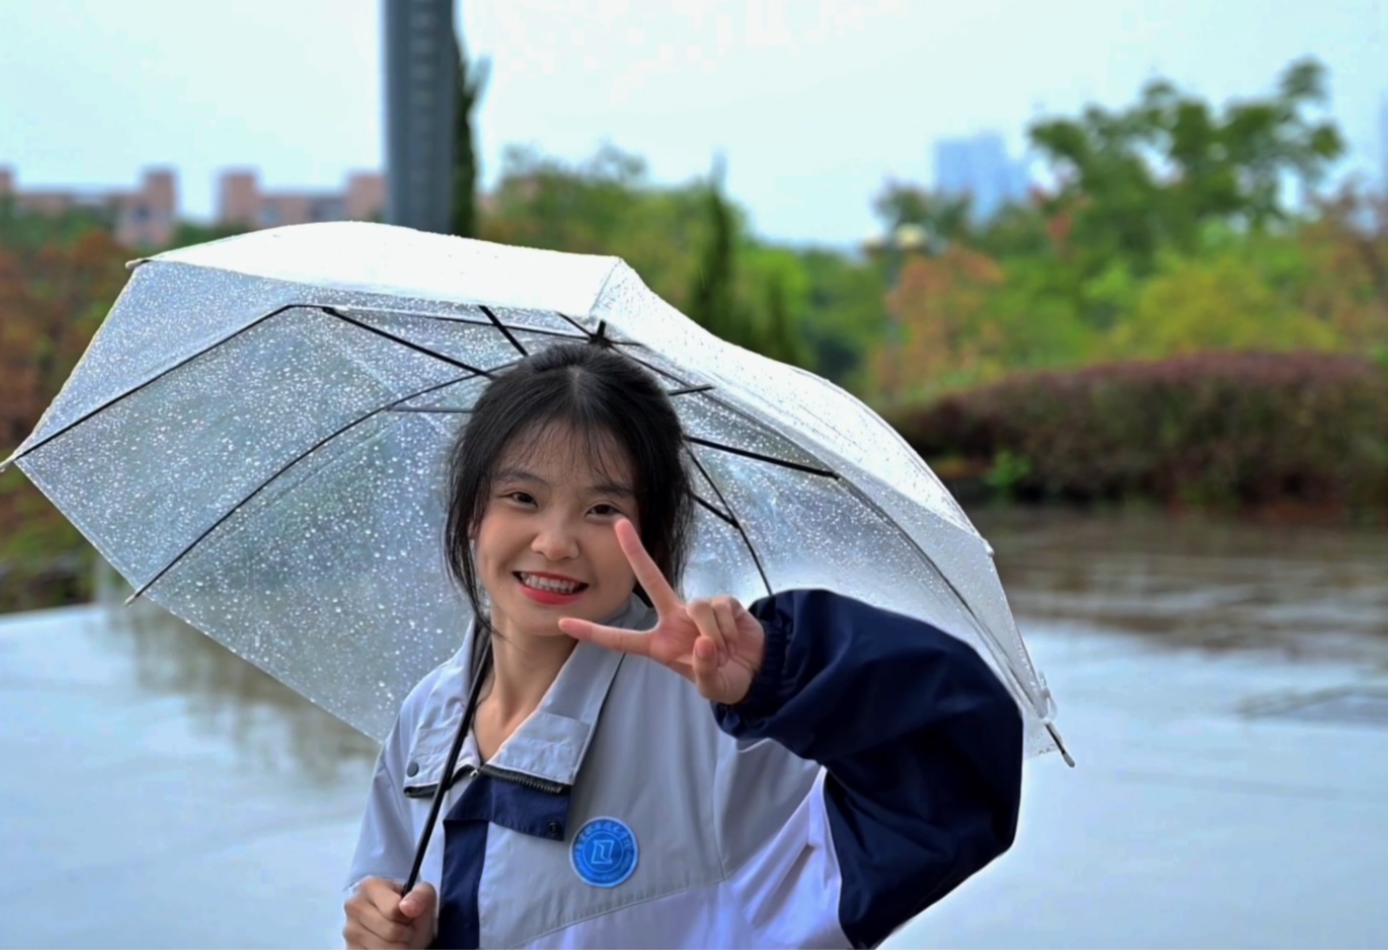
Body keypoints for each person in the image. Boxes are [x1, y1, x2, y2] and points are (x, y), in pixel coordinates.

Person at [342, 342, 1024, 950]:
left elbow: (949, 787)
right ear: (469, 514)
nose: (553, 542)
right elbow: (382, 888)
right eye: (521, 496)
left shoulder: (721, 723)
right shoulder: (428, 715)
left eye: (603, 510)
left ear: (656, 537)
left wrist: (783, 673)